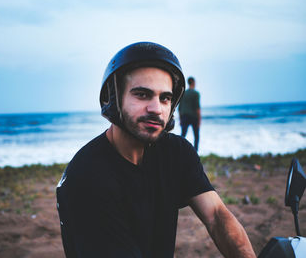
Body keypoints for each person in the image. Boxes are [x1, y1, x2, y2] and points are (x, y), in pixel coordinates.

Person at [56, 42, 256, 258]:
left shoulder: (176, 152)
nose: (156, 109)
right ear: (114, 99)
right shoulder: (86, 177)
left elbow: (216, 216)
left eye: (165, 98)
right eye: (142, 95)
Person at [178, 77, 201, 151]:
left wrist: (180, 119)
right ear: (193, 82)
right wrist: (199, 120)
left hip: (184, 116)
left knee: (183, 136)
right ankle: (195, 153)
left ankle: (179, 151)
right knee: (196, 137)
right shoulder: (196, 93)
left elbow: (180, 108)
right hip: (194, 117)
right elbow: (197, 108)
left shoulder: (184, 93)